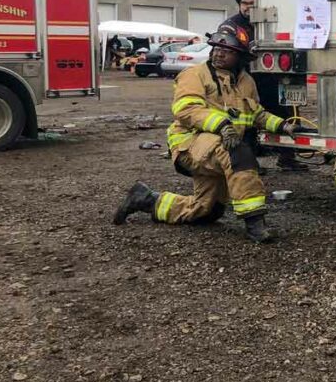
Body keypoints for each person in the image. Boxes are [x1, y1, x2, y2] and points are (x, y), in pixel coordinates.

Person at [112, 29, 299, 242]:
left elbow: (256, 113)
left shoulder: (246, 81)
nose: (219, 53)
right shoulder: (195, 75)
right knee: (238, 153)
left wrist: (283, 126)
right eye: (217, 48)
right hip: (190, 143)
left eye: (226, 50)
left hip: (216, 147)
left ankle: (146, 199)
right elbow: (186, 108)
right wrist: (222, 125)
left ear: (239, 56)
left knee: (207, 211)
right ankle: (256, 224)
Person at [217, 0, 308, 172]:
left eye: (253, 3)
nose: (249, 7)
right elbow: (228, 52)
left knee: (287, 113)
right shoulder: (231, 26)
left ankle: (287, 158)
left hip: (273, 78)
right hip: (246, 79)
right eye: (245, 3)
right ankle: (250, 162)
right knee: (248, 119)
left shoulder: (273, 23)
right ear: (239, 5)